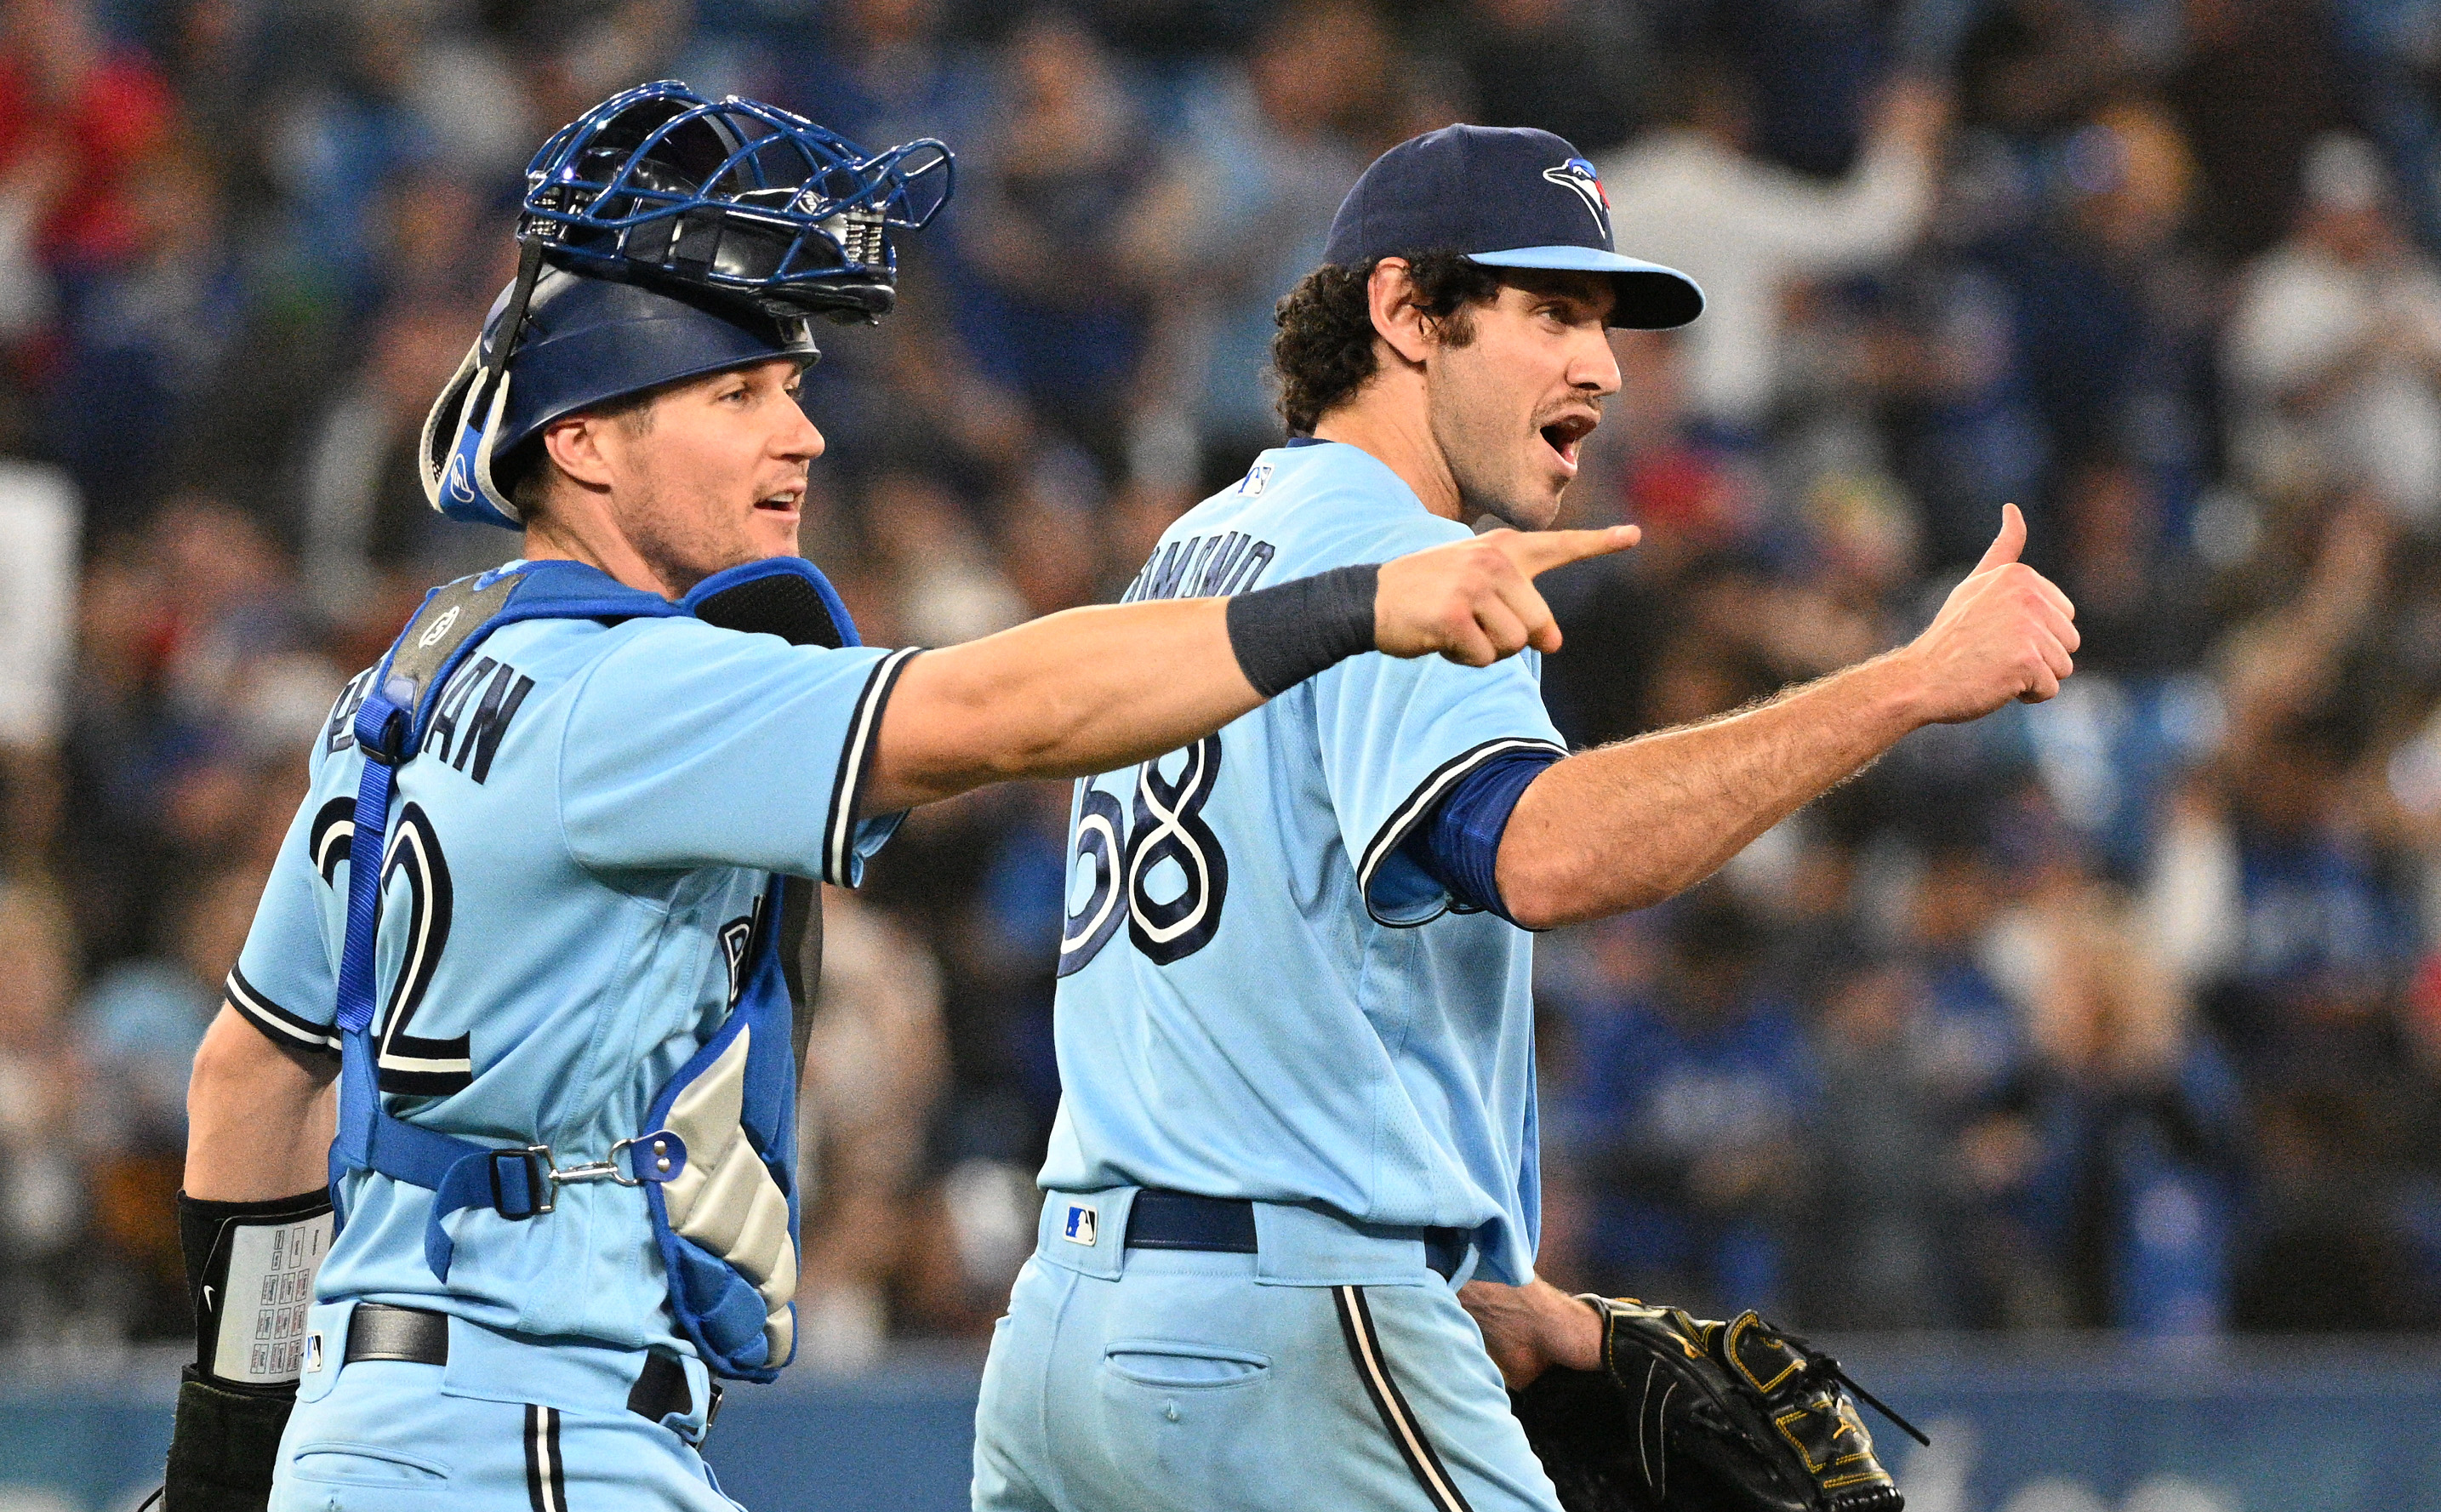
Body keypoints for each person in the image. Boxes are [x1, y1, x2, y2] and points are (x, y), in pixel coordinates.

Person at [164, 86, 1631, 1512]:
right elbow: (993, 712)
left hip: (369, 1431)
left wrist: (234, 1457)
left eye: (791, 387)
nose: (799, 434)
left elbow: (254, 1072)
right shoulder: (637, 695)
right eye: (737, 393)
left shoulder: (407, 687)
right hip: (536, 1438)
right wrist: (1360, 602)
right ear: (583, 439)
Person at [971, 123, 2079, 1512]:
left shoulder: (1193, 548)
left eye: (1604, 323)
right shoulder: (1405, 554)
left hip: (1074, 1325)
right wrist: (1907, 682)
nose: (1602, 365)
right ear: (1403, 312)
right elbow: (1541, 851)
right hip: (1291, 1330)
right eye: (1549, 310)